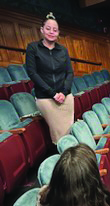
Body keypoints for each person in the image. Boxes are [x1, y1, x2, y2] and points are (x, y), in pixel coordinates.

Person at [26, 12, 74, 145]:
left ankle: (69, 158)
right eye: (48, 28)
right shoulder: (33, 48)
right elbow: (32, 73)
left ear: (58, 32)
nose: (51, 32)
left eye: (55, 30)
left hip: (65, 97)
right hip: (46, 98)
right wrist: (53, 94)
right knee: (58, 134)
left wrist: (64, 93)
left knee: (69, 131)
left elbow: (69, 72)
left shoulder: (63, 50)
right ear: (42, 30)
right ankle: (63, 160)